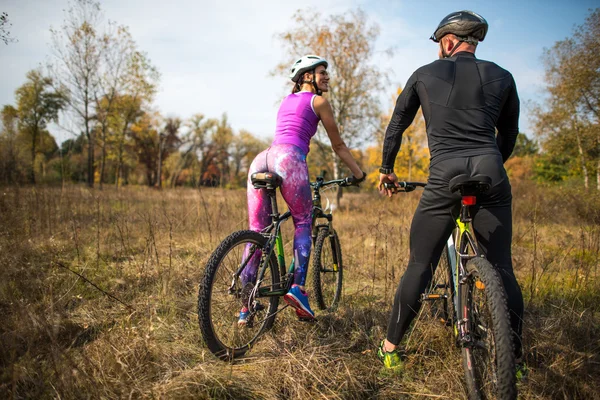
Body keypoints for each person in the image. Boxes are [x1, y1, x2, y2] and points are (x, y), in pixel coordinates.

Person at [377, 11, 525, 372]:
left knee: (419, 265)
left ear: (447, 41)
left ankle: (390, 349)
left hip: (445, 174)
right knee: (502, 267)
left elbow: (397, 126)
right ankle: (516, 361)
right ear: (473, 42)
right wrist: (494, 164)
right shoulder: (503, 75)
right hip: (491, 171)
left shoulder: (424, 73)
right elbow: (510, 133)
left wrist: (386, 170)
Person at [240, 55, 365, 324]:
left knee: (257, 231)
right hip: (288, 159)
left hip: (261, 158)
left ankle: (245, 303)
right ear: (307, 76)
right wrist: (358, 173)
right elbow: (339, 146)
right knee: (303, 222)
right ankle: (298, 289)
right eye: (322, 73)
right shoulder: (318, 101)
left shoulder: (287, 100)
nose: (327, 77)